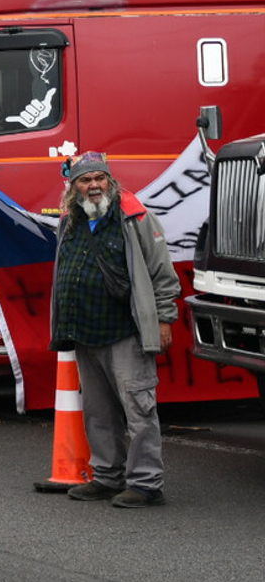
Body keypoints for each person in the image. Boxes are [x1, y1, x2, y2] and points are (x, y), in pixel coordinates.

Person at [50, 151, 180, 509]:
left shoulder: (135, 217)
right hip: (85, 332)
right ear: (73, 187)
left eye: (99, 179)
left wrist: (164, 319)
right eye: (85, 180)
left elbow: (161, 273)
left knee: (139, 409)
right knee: (98, 412)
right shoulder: (70, 220)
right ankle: (107, 477)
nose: (94, 186)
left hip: (126, 332)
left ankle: (146, 484)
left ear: (110, 181)